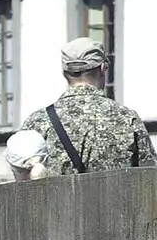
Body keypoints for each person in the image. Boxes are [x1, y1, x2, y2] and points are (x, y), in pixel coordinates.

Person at [19, 38, 155, 176]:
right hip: (116, 198)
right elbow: (150, 179)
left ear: (64, 73)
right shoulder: (127, 119)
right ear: (102, 69)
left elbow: (21, 183)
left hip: (59, 198)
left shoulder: (37, 123)